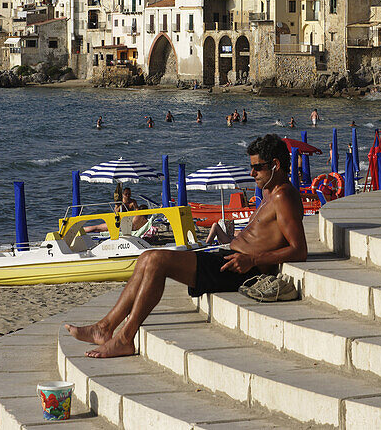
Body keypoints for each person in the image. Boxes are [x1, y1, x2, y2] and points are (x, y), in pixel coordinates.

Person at [66, 134, 307, 358]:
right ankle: (105, 328)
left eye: (258, 167)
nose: (252, 173)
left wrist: (252, 260)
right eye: (251, 166)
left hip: (241, 269)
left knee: (157, 261)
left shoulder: (283, 197)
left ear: (275, 164)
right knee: (146, 257)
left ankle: (124, 337)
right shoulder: (270, 192)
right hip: (229, 257)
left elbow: (299, 250)